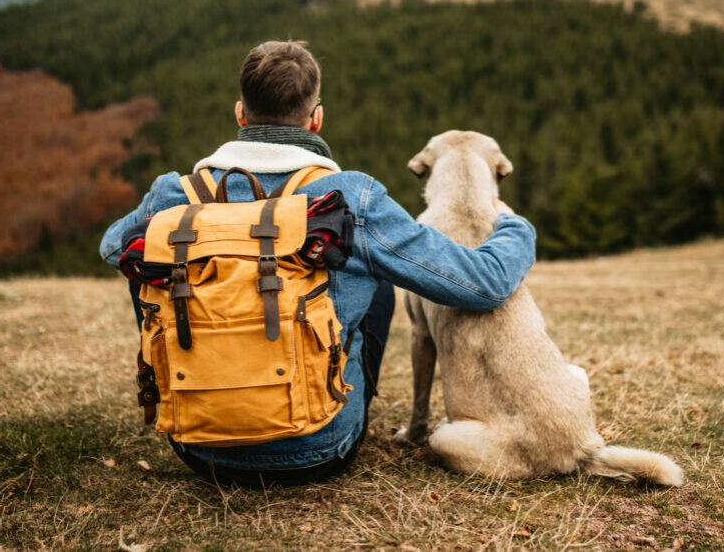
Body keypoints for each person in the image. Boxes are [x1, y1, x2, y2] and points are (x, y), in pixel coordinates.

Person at [99, 40, 536, 487]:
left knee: (156, 262)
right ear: (316, 118)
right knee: (378, 277)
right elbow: (485, 284)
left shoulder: (174, 195)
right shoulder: (348, 198)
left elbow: (114, 248)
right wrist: (514, 226)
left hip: (198, 446)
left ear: (240, 114)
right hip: (320, 448)